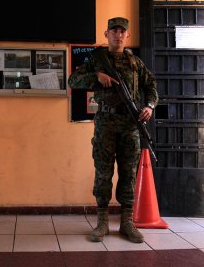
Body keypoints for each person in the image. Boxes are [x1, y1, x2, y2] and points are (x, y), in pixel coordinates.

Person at [68, 17, 158, 243]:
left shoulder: (136, 63)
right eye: (114, 31)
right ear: (106, 33)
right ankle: (102, 222)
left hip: (131, 125)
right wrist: (96, 77)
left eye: (122, 31)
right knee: (103, 172)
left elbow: (151, 86)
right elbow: (73, 80)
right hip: (105, 124)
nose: (118, 35)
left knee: (129, 173)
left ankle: (127, 222)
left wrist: (149, 105)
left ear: (127, 35)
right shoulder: (96, 60)